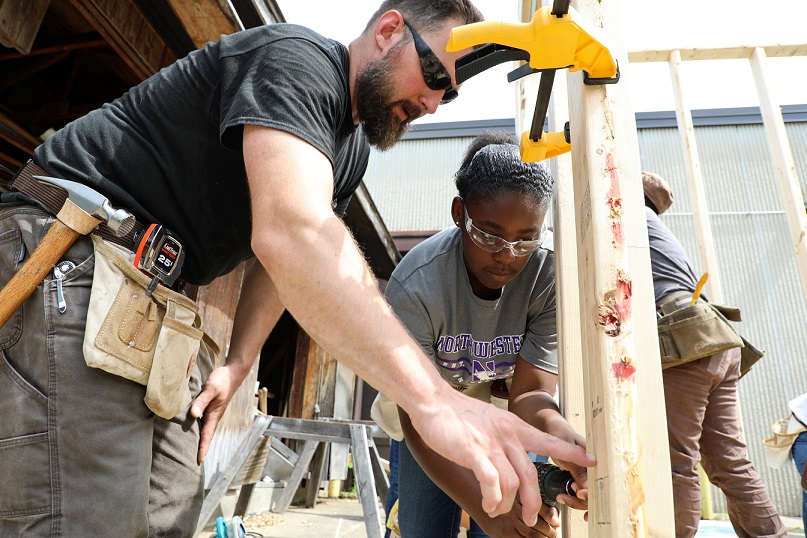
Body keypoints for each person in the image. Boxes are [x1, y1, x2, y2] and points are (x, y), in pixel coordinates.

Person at [0, 1, 596, 535]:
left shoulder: (349, 147)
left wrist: (237, 362)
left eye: (451, 94)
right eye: (436, 74)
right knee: (82, 517)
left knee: (169, 514)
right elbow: (292, 233)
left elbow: (281, 263)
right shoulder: (298, 60)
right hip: (74, 256)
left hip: (155, 299)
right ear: (390, 30)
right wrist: (435, 401)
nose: (433, 101)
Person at [372, 133, 589, 538]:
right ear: (460, 213)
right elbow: (419, 413)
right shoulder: (417, 285)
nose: (507, 255)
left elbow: (529, 395)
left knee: (511, 522)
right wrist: (483, 510)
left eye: (526, 239)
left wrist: (566, 447)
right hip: (428, 419)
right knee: (422, 528)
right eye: (489, 235)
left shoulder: (547, 277)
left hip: (505, 418)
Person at [642, 171, 786, 538]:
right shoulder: (658, 229)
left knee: (677, 462)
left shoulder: (630, 218)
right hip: (715, 339)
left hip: (686, 341)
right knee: (728, 461)